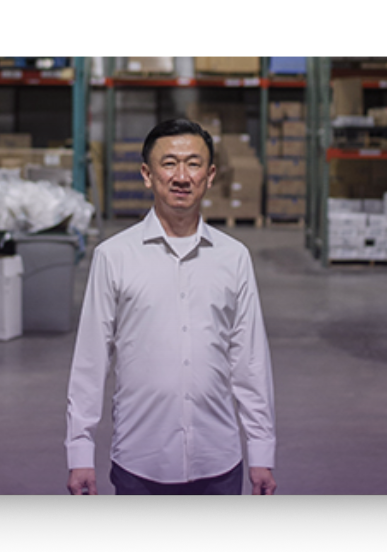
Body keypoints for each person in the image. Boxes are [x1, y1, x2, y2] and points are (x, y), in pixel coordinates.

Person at [66, 119, 278, 496]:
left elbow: (250, 362)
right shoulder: (114, 257)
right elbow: (90, 362)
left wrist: (261, 450)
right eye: (169, 163)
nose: (182, 176)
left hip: (218, 462)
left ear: (210, 175)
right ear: (147, 175)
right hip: (139, 462)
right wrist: (80, 451)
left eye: (194, 164)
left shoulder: (234, 258)